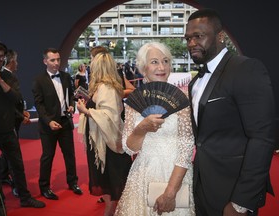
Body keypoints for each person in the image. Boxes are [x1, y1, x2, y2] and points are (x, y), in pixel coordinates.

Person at [185, 9, 276, 216]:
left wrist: (241, 202)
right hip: (201, 187)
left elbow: (262, 138)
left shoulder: (246, 69)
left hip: (233, 190)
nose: (191, 43)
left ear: (220, 36)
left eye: (198, 36)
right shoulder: (194, 83)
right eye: (188, 38)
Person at [114, 42, 195, 216]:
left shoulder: (181, 100)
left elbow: (186, 149)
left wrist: (171, 192)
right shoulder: (133, 103)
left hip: (175, 173)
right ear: (143, 68)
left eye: (166, 61)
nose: (162, 67)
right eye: (155, 62)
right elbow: (129, 148)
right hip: (143, 174)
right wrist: (141, 128)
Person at [0, 41, 45, 216]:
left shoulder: (8, 77)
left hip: (8, 130)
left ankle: (25, 197)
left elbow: (16, 99)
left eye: (1, 55)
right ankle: (0, 204)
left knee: (18, 166)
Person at [76, 51, 133, 216]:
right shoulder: (101, 86)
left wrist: (86, 111)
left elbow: (109, 117)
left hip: (107, 142)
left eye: (93, 63)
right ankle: (110, 206)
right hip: (99, 139)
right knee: (105, 176)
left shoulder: (106, 87)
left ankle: (111, 208)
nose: (90, 66)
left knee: (112, 175)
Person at [32, 47, 83, 201]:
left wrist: (71, 106)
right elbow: (38, 105)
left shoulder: (66, 76)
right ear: (45, 61)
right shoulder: (38, 80)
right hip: (49, 125)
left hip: (65, 122)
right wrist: (49, 121)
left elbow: (71, 96)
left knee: (70, 154)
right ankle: (45, 187)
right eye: (52, 60)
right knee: (48, 156)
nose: (56, 63)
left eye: (58, 59)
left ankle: (73, 182)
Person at [0, 49, 31, 198]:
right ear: (11, 61)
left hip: (11, 120)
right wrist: (21, 115)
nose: (17, 63)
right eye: (16, 60)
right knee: (13, 155)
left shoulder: (5, 76)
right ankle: (17, 186)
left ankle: (2, 175)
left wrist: (22, 112)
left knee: (7, 153)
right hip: (9, 123)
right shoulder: (5, 76)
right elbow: (11, 101)